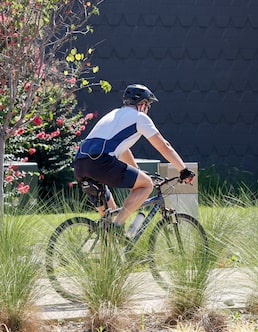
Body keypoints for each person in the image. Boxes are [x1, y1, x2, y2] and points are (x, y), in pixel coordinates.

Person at [73, 84, 195, 232]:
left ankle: (109, 243)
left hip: (80, 165)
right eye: (148, 105)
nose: (148, 109)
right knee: (147, 185)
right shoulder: (140, 118)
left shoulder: (113, 114)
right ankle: (116, 227)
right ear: (143, 104)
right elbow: (164, 146)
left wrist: (137, 172)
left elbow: (123, 150)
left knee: (110, 216)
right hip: (101, 163)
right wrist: (183, 169)